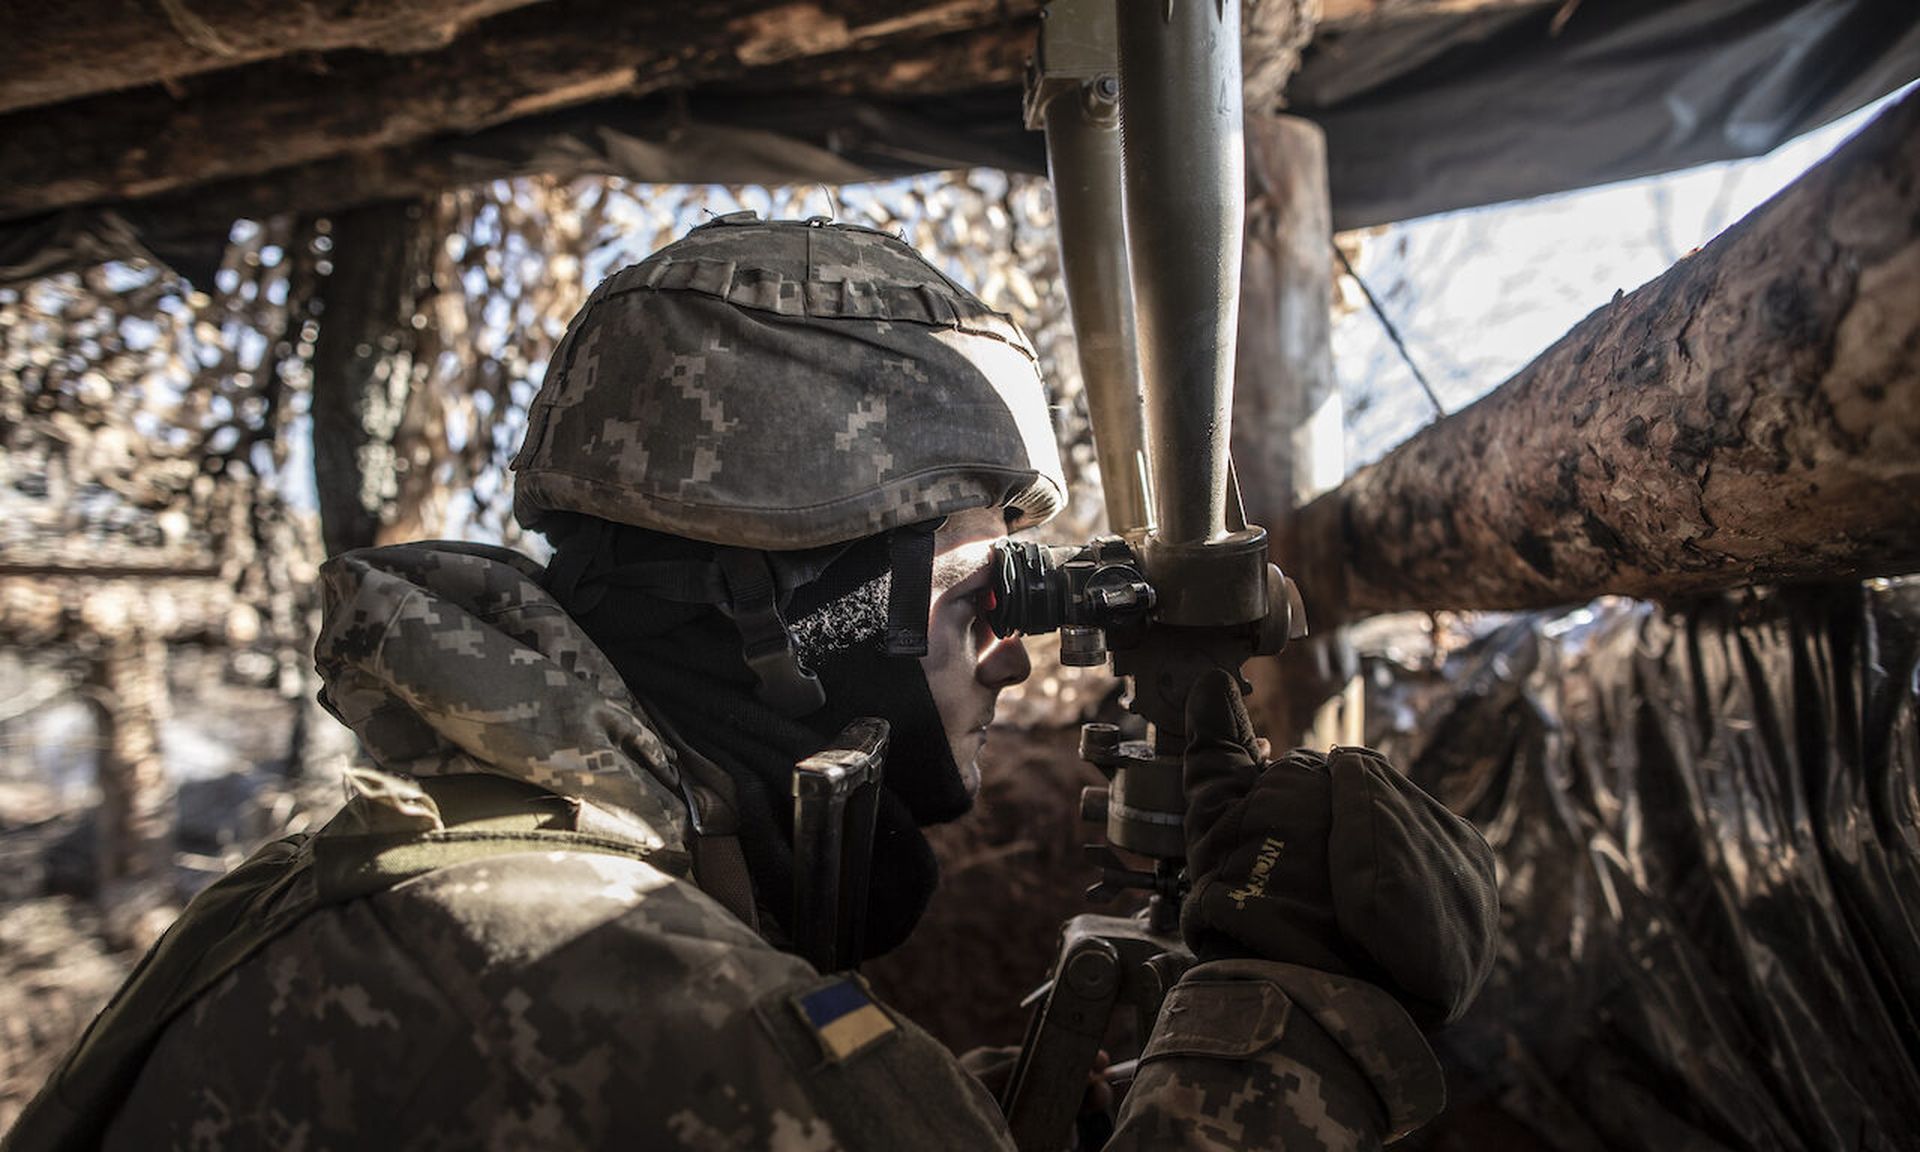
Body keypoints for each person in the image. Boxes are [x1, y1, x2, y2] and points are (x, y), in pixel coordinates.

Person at [6, 214, 1498, 1151]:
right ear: (803, 604)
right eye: (986, 583)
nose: (1017, 645)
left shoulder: (392, 888)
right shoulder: (627, 994)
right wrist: (1281, 1059)